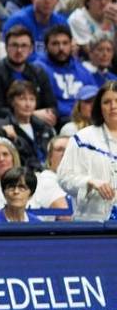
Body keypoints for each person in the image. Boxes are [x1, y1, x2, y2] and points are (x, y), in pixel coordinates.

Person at [57, 81, 117, 220]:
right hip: (92, 223)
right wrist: (90, 182)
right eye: (107, 102)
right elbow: (63, 178)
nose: (113, 106)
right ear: (99, 108)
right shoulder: (82, 139)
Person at [0, 25, 59, 122]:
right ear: (6, 47)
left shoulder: (39, 72)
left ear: (31, 49)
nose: (19, 50)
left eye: (24, 46)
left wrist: (49, 114)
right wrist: (31, 114)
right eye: (14, 45)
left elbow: (52, 106)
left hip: (38, 125)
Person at [37, 25, 96, 123]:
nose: (61, 48)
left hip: (84, 119)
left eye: (65, 43)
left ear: (71, 44)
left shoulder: (81, 69)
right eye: (55, 44)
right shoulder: (39, 68)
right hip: (56, 120)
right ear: (46, 46)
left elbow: (95, 97)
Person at [1, 0, 68, 58]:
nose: (47, 1)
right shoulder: (17, 21)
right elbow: (13, 55)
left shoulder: (61, 22)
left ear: (57, 1)